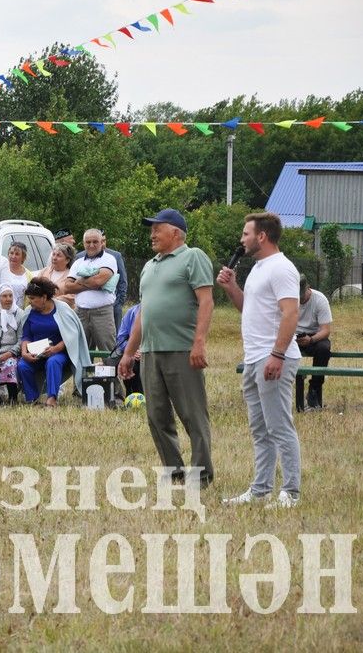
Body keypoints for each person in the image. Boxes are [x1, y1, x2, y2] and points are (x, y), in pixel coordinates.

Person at [118, 209, 215, 488]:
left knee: (192, 414)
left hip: (181, 349)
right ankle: (174, 472)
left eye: (156, 229)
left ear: (175, 232)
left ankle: (201, 475)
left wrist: (199, 342)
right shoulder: (150, 266)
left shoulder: (192, 256)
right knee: (156, 416)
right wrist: (128, 353)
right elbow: (143, 314)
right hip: (150, 351)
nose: (152, 234)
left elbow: (206, 302)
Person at [217, 212, 302, 509]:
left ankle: (290, 493)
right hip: (254, 358)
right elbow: (249, 309)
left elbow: (291, 313)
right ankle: (260, 490)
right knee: (260, 429)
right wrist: (232, 289)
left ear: (261, 236)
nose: (241, 240)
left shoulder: (281, 268)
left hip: (273, 357)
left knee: (279, 426)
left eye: (245, 234)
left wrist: (277, 354)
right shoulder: (258, 268)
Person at [18, 278, 91, 406]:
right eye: (29, 298)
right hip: (36, 353)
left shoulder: (63, 309)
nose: (30, 301)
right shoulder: (29, 312)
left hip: (60, 352)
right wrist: (24, 352)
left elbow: (72, 336)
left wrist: (55, 349)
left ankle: (52, 398)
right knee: (23, 365)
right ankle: (32, 399)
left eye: (33, 298)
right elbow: (26, 336)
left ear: (44, 297)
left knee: (53, 362)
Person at [62, 228, 118, 352]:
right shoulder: (78, 262)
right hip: (81, 313)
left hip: (102, 313)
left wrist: (79, 281)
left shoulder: (109, 259)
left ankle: (112, 372)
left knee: (108, 351)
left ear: (101, 242)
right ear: (83, 243)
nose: (91, 245)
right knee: (81, 351)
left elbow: (98, 281)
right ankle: (83, 372)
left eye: (95, 241)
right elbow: (67, 287)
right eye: (88, 242)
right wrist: (92, 283)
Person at [294, 274, 333, 411]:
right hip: (292, 335)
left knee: (324, 348)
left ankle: (314, 390)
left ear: (308, 288)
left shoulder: (320, 299)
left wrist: (311, 339)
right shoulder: (288, 299)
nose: (299, 299)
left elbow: (325, 330)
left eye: (301, 295)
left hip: (315, 335)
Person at [36, 243, 76, 309]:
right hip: (42, 310)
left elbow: (73, 296)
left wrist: (53, 300)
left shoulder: (71, 275)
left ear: (67, 260)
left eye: (58, 255)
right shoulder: (44, 271)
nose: (54, 258)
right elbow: (35, 287)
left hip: (63, 312)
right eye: (53, 254)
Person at [115, 303, 142, 395]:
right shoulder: (131, 312)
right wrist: (132, 350)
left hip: (152, 352)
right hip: (134, 353)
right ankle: (131, 394)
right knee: (130, 363)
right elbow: (120, 339)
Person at [1, 241, 34, 307]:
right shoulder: (1, 270)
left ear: (23, 257)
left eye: (17, 254)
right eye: (11, 253)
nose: (13, 256)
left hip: (21, 314)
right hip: (2, 312)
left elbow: (31, 297)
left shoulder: (29, 275)